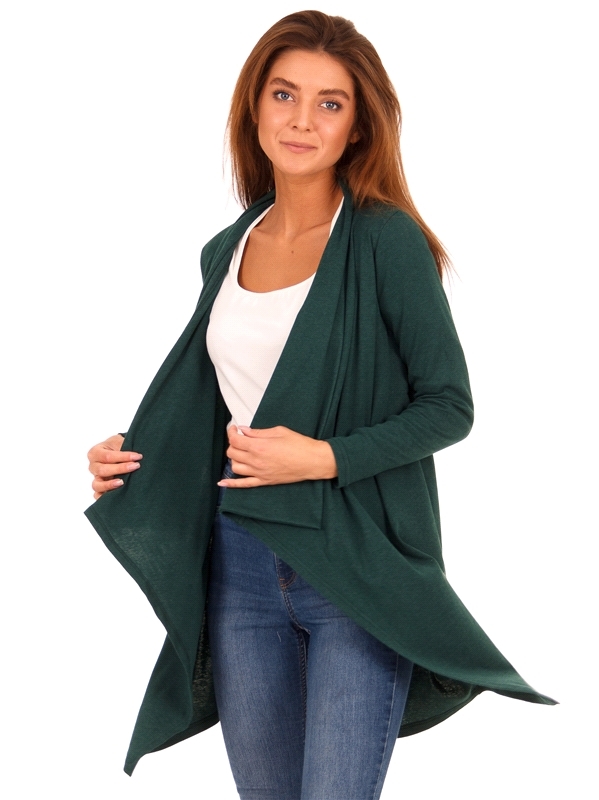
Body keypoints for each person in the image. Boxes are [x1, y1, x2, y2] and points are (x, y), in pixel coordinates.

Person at [86, 10, 555, 800]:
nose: (302, 120)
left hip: (353, 567)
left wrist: (324, 456)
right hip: (239, 562)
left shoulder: (385, 241)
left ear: (357, 126)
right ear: (254, 107)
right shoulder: (224, 249)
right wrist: (133, 455)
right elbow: (227, 403)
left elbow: (448, 405)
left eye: (329, 103)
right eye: (284, 94)